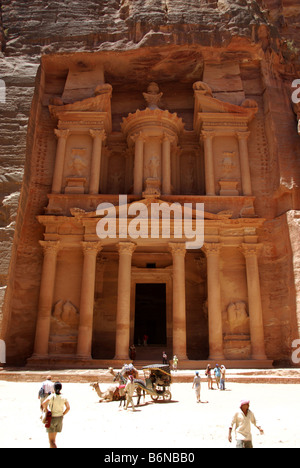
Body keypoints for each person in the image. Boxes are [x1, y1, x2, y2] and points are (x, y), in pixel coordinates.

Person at [42, 381, 70, 449]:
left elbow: (43, 403)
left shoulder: (52, 396)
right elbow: (68, 408)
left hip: (52, 418)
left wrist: (46, 410)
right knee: (54, 440)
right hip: (59, 418)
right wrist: (63, 414)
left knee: (51, 441)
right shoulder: (64, 397)